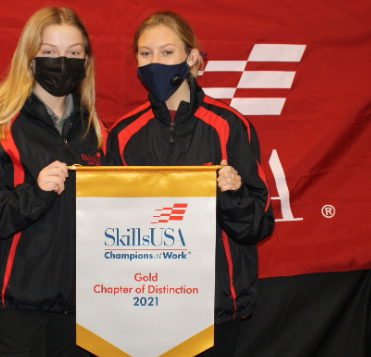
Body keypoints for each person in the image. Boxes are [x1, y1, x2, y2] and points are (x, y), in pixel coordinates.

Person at [107, 11, 274, 357]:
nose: (155, 62)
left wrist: (233, 193)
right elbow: (108, 222)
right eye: (146, 53)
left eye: (167, 52)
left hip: (213, 307)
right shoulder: (122, 134)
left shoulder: (229, 125)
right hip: (144, 302)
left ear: (192, 57)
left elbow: (258, 223)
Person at [0, 7, 105, 357]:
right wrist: (35, 193)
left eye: (73, 53)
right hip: (13, 306)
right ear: (30, 57)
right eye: (49, 52)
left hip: (80, 306)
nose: (62, 62)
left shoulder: (94, 130)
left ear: (86, 60)